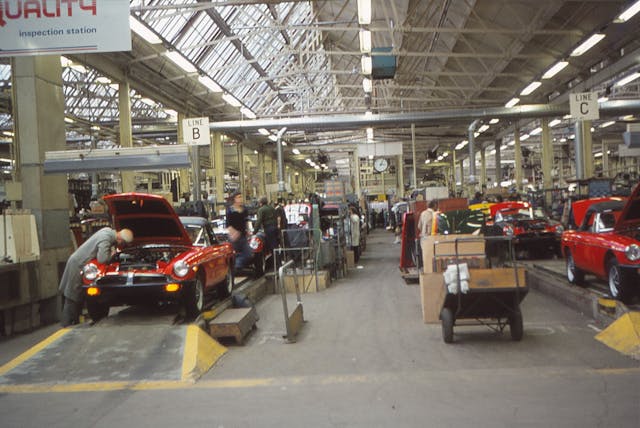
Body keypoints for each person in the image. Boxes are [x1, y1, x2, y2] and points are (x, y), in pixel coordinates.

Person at [59, 227, 134, 327]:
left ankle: (74, 324)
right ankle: (66, 326)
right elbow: (102, 259)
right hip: (78, 265)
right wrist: (112, 255)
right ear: (120, 240)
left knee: (78, 297)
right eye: (123, 243)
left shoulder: (108, 231)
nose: (122, 245)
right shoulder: (106, 239)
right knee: (72, 297)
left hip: (81, 264)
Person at [226, 191, 252, 272]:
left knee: (248, 254)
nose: (240, 199)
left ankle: (238, 264)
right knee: (233, 254)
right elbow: (228, 224)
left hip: (243, 236)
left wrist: (248, 230)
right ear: (234, 199)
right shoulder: (230, 210)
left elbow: (247, 221)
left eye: (241, 197)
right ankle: (235, 268)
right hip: (234, 237)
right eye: (239, 197)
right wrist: (233, 233)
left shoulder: (244, 209)